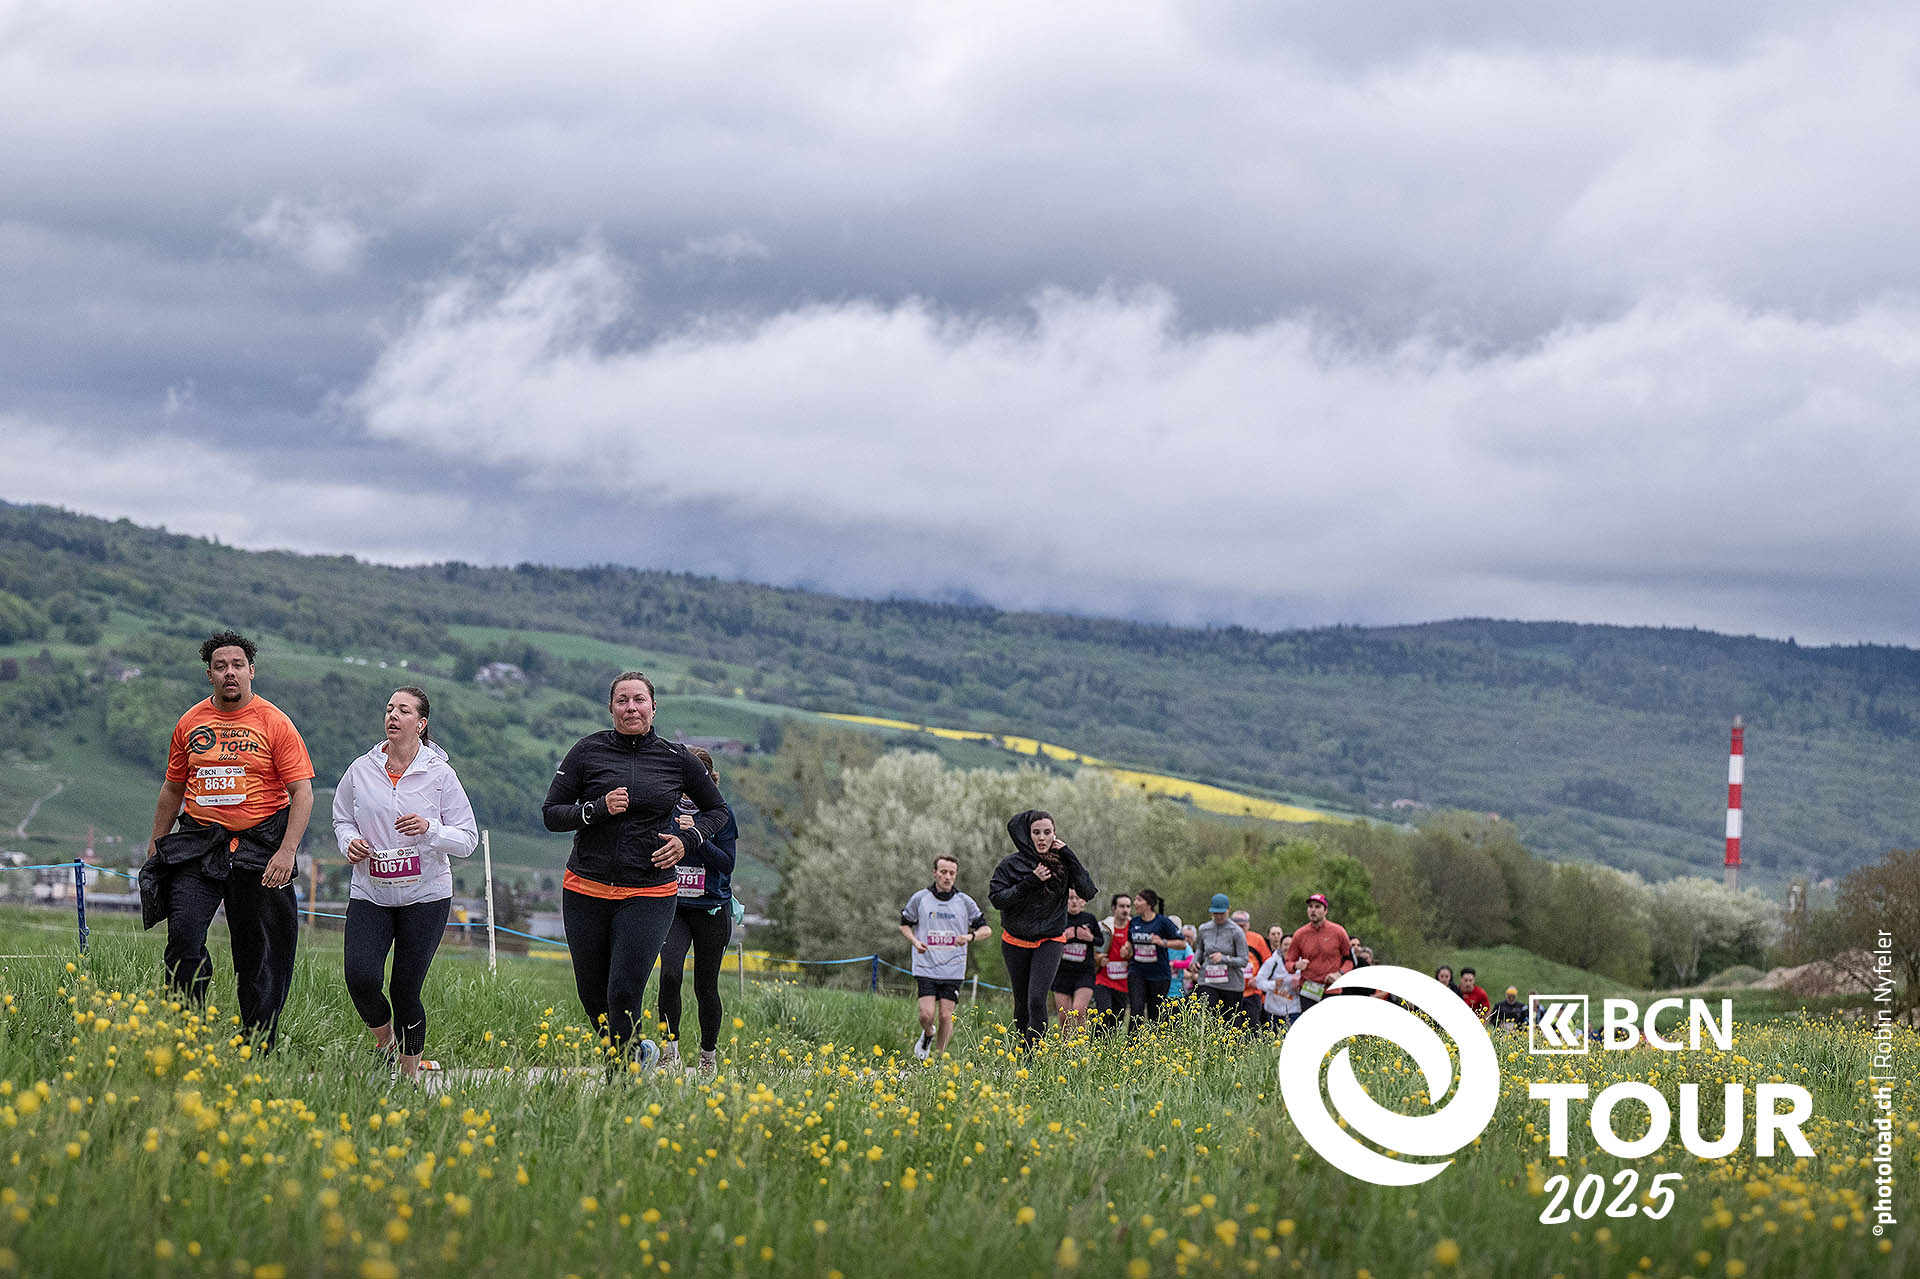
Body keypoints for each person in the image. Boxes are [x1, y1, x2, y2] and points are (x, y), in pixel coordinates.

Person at [544, 672, 728, 1074]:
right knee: (593, 998)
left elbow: (718, 811)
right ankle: (636, 1053)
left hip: (649, 892)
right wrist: (596, 808)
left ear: (653, 707)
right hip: (585, 889)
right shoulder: (587, 751)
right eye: (622, 701)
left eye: (639, 700)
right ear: (611, 709)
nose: (631, 708)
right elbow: (552, 814)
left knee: (624, 992)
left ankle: (622, 1081)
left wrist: (689, 840)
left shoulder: (677, 759)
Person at [141, 631, 313, 1054]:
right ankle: (186, 1030)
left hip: (261, 845)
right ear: (210, 675)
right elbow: (172, 788)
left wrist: (286, 852)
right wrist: (157, 844)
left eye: (237, 665)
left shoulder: (274, 722)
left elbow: (302, 793)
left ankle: (255, 1046)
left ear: (251, 671)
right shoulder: (190, 722)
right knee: (183, 937)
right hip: (200, 842)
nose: (229, 673)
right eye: (221, 667)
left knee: (258, 954)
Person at [333, 686, 478, 1079]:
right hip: (371, 891)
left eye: (403, 710)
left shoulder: (440, 774)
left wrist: (430, 829)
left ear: (421, 723)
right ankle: (386, 1043)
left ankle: (409, 1078)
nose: (393, 716)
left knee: (404, 989)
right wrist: (350, 842)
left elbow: (467, 839)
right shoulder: (361, 769)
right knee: (360, 978)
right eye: (389, 709)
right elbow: (342, 817)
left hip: (426, 896)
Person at [659, 746, 741, 1075]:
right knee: (669, 976)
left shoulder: (721, 813)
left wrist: (696, 837)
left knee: (705, 987)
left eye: (698, 778)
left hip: (711, 909)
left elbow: (727, 863)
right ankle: (670, 1052)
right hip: (674, 907)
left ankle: (708, 1056)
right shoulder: (667, 809)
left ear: (709, 779)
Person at [989, 810, 1096, 1048]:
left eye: (1047, 832)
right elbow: (997, 899)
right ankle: (1023, 1054)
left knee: (1037, 999)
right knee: (1022, 1001)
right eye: (1036, 832)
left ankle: (1036, 1055)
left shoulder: (1063, 863)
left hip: (1050, 940)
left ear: (1054, 834)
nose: (1042, 837)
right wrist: (1031, 881)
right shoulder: (1010, 865)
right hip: (1015, 940)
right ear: (1027, 835)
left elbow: (1088, 891)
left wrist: (1068, 853)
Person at [899, 855, 990, 1059]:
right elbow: (904, 925)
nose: (947, 877)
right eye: (943, 872)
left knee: (946, 1015)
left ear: (955, 875)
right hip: (926, 965)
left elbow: (986, 930)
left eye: (952, 873)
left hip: (953, 967)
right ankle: (928, 1033)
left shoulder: (964, 901)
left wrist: (970, 936)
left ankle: (938, 1059)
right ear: (935, 873)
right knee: (926, 1015)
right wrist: (915, 942)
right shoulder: (920, 898)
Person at [1282, 893, 1352, 1016]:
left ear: (1325, 911)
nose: (1313, 910)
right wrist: (1296, 965)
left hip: (1331, 989)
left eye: (1317, 907)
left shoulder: (1338, 932)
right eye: (1310, 906)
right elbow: (1288, 963)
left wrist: (1340, 974)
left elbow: (1350, 960)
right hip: (1309, 990)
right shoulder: (1300, 934)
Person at [1125, 888, 1183, 1028]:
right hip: (1137, 972)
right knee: (1136, 1009)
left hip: (1159, 975)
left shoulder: (1163, 922)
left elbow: (1182, 944)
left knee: (1155, 1014)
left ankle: (1154, 1040)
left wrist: (1162, 942)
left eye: (1139, 900)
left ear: (1149, 904)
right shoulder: (1134, 922)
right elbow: (1129, 942)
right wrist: (1126, 948)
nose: (1135, 903)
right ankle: (1132, 1040)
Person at [1051, 887, 1104, 1036]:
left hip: (1084, 972)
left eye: (1077, 898)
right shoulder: (1058, 918)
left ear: (1083, 901)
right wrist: (1063, 937)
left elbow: (1100, 941)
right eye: (1070, 898)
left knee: (1079, 1011)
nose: (1074, 901)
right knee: (1064, 1017)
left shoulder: (1089, 919)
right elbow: (1047, 942)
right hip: (1062, 972)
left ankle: (1082, 1045)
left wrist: (1090, 938)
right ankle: (1066, 1046)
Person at [1194, 894, 1249, 1020]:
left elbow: (1244, 960)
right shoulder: (1204, 929)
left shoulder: (1236, 931)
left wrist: (1224, 958)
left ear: (1228, 910)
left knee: (1230, 1023)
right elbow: (1200, 949)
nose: (1218, 917)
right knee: (1206, 1018)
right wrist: (1195, 961)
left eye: (1222, 913)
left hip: (1231, 985)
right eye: (1215, 913)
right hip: (1208, 981)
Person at [1092, 893, 1133, 1029]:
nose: (1125, 910)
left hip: (1123, 981)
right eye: (1121, 906)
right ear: (1114, 908)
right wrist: (1098, 958)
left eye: (1128, 906)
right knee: (1104, 1011)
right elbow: (1092, 949)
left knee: (1117, 1019)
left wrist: (1129, 954)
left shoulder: (1134, 928)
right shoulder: (1103, 927)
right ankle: (1096, 1039)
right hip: (1103, 978)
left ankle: (1109, 1042)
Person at [1253, 933, 1302, 1028]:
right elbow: (1259, 982)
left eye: (1291, 945)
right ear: (1280, 946)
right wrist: (1274, 984)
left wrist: (1300, 986)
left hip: (1293, 1010)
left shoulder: (1301, 963)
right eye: (1285, 944)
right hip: (1273, 1010)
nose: (1288, 948)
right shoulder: (1272, 962)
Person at [1236, 909, 1271, 1029]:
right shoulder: (1226, 938)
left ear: (1248, 924)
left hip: (1253, 992)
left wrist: (1258, 978)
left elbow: (1268, 963)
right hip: (1232, 990)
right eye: (1237, 925)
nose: (1240, 929)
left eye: (1243, 926)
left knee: (1252, 1028)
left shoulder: (1257, 939)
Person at [1169, 924, 1196, 999]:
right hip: (1168, 989)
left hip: (1186, 993)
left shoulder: (1196, 953)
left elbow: (1191, 963)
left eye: (1189, 937)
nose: (1186, 939)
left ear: (1194, 939)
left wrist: (1174, 964)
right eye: (1184, 936)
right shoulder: (1168, 946)